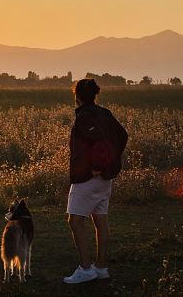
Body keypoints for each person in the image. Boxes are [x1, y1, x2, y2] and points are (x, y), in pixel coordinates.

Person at [64, 78, 128, 285]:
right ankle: (100, 268)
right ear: (94, 95)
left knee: (75, 221)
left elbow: (99, 141)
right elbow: (122, 135)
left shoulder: (85, 115)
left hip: (89, 177)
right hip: (104, 179)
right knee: (100, 221)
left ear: (77, 96)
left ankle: (85, 269)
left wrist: (99, 165)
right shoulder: (104, 112)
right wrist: (111, 161)